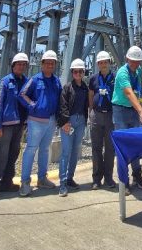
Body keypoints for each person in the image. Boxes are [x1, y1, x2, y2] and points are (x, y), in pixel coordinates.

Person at [0, 52, 30, 201]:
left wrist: (27, 122)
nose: (21, 67)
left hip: (19, 125)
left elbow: (29, 103)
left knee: (13, 154)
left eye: (24, 64)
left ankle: (6, 182)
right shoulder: (5, 81)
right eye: (19, 64)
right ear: (13, 66)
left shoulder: (26, 81)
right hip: (5, 125)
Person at [18, 50, 62, 197]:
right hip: (36, 121)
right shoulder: (35, 79)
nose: (50, 65)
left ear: (55, 65)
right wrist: (33, 106)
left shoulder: (56, 81)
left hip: (51, 120)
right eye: (47, 62)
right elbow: (22, 94)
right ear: (42, 64)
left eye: (52, 63)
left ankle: (42, 178)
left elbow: (61, 100)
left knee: (44, 149)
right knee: (31, 149)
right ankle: (25, 182)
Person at [111, 45, 142, 194]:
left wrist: (141, 103)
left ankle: (137, 175)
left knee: (135, 143)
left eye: (138, 61)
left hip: (133, 109)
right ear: (127, 59)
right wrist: (140, 110)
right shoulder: (122, 73)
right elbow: (128, 92)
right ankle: (124, 180)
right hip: (120, 109)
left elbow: (137, 90)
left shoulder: (138, 71)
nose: (136, 64)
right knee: (122, 145)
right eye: (133, 61)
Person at [57, 58, 89, 197]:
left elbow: (87, 105)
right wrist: (64, 122)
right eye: (75, 71)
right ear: (72, 73)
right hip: (68, 122)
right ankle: (62, 183)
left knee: (75, 151)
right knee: (66, 152)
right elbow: (63, 105)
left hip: (81, 120)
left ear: (83, 72)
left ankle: (70, 178)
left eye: (80, 71)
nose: (78, 74)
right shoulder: (67, 88)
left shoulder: (85, 87)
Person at [88, 50, 116, 189]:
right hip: (97, 114)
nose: (103, 64)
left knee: (110, 149)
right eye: (101, 62)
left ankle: (109, 178)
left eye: (105, 62)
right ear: (98, 64)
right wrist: (90, 112)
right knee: (96, 148)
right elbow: (91, 95)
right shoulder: (93, 79)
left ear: (109, 63)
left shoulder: (115, 78)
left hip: (110, 115)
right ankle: (96, 179)